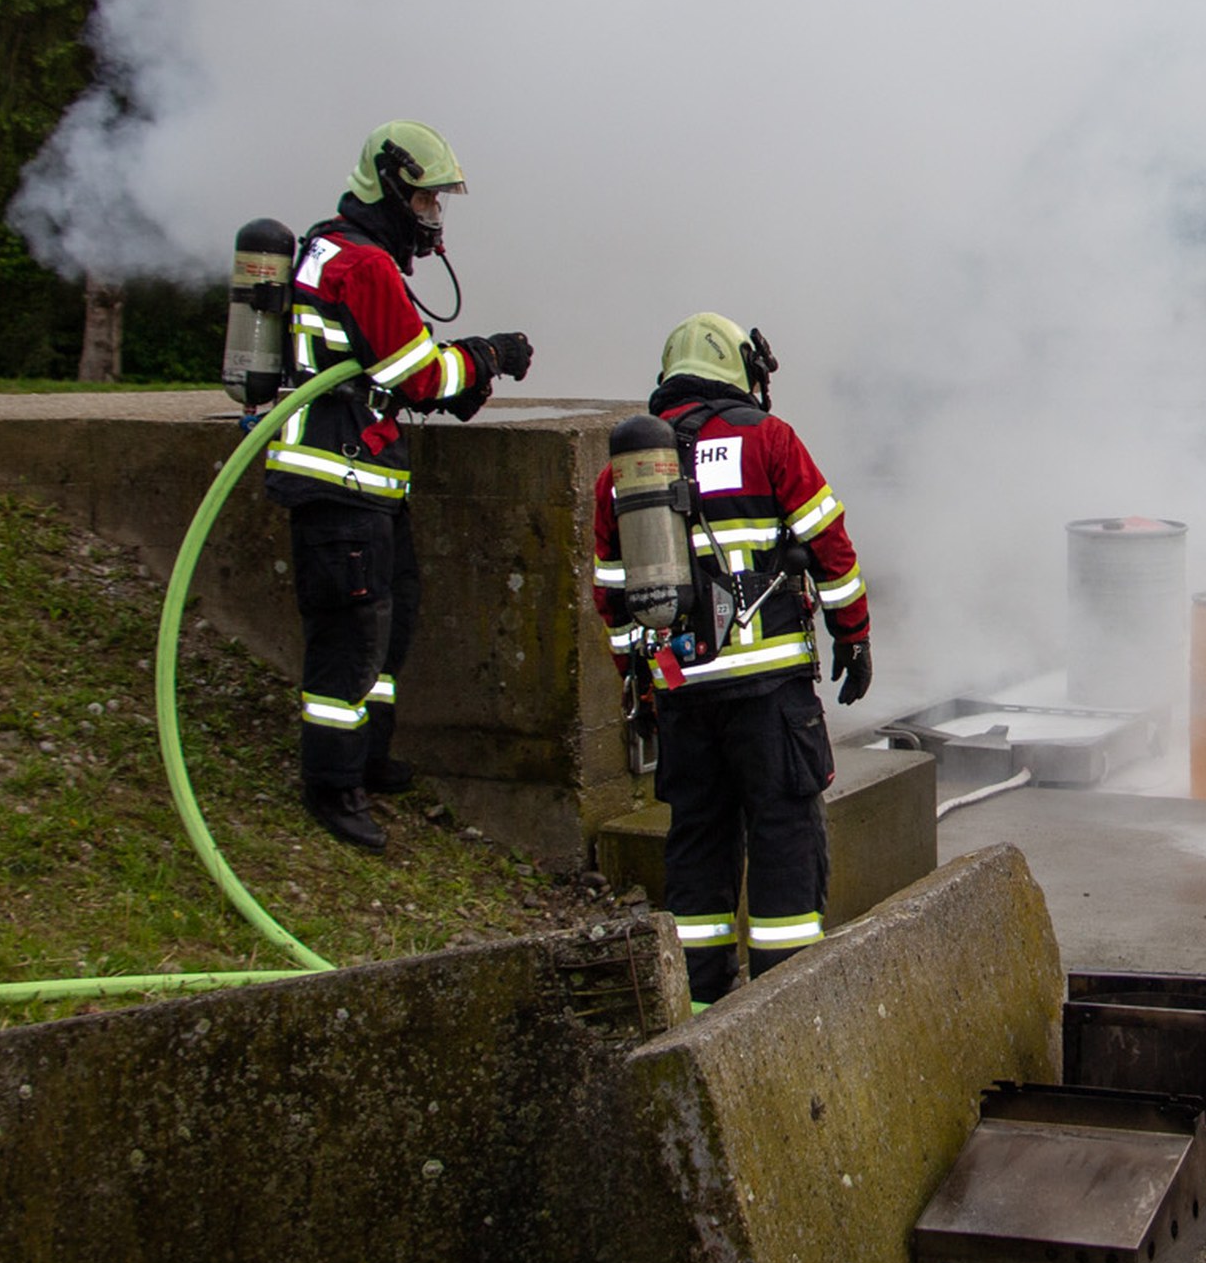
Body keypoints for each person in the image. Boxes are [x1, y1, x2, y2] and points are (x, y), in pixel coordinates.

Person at [264, 120, 530, 851]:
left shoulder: (337, 248)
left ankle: (368, 757)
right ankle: (332, 786)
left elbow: (384, 366)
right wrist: (490, 356)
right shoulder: (364, 266)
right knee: (348, 639)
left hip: (367, 480)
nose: (432, 215)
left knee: (391, 621)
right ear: (389, 187)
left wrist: (457, 376)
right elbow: (417, 374)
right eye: (424, 200)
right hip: (338, 483)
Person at [590, 314, 871, 1007]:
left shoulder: (623, 474)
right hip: (768, 692)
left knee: (697, 840)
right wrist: (853, 635)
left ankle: (700, 1008)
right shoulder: (767, 439)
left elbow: (612, 596)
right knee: (783, 833)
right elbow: (829, 545)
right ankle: (784, 1008)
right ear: (740, 368)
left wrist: (641, 685)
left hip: (682, 694)